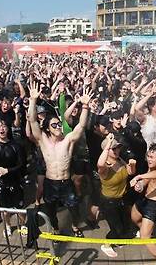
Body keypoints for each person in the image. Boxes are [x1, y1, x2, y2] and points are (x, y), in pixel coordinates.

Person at [26, 81, 93, 237]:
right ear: (48, 128)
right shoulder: (43, 140)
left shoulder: (68, 140)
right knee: (50, 211)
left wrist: (85, 106)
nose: (59, 127)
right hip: (50, 184)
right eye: (55, 125)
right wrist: (33, 100)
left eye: (59, 125)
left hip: (66, 183)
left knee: (74, 209)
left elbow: (81, 126)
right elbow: (32, 120)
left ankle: (75, 227)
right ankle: (55, 230)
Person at [129, 143, 156, 265]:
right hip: (145, 198)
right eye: (148, 156)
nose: (149, 159)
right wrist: (141, 184)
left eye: (152, 157)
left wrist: (139, 177)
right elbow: (149, 177)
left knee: (144, 238)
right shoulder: (152, 165)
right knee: (135, 217)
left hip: (154, 204)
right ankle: (148, 231)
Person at [97, 133, 136, 258]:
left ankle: (116, 240)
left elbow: (131, 172)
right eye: (113, 149)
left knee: (124, 223)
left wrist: (132, 164)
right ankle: (106, 244)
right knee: (116, 228)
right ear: (106, 151)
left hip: (120, 198)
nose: (117, 150)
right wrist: (108, 143)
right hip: (109, 202)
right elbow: (100, 164)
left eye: (117, 147)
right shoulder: (105, 167)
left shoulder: (120, 159)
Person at [0, 118, 24, 237]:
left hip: (15, 181)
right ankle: (7, 226)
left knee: (19, 206)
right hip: (1, 183)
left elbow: (21, 165)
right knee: (4, 208)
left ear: (8, 128)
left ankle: (23, 224)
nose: (2, 128)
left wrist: (7, 170)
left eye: (4, 126)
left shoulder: (16, 145)